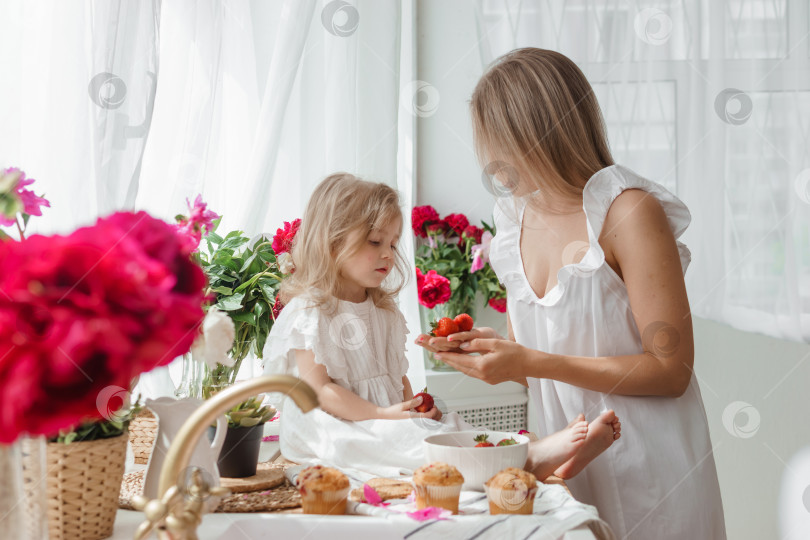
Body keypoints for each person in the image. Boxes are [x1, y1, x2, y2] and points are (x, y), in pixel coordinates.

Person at [417, 48, 726, 539]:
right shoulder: (513, 221)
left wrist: (531, 361)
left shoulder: (627, 212)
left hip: (654, 473)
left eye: (500, 142)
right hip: (573, 469)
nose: (492, 162)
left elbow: (671, 370)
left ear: (539, 133)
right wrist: (484, 353)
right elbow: (531, 368)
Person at [263, 172, 619, 482]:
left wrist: (412, 407)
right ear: (333, 241)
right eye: (375, 242)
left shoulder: (382, 313)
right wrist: (383, 416)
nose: (389, 253)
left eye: (392, 243)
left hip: (381, 417)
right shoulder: (310, 311)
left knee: (447, 428)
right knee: (396, 444)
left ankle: (527, 452)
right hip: (331, 425)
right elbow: (320, 393)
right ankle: (530, 459)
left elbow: (394, 380)